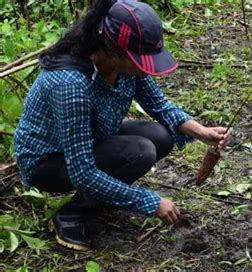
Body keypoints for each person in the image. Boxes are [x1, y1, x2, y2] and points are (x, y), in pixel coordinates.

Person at [13, 0, 231, 251]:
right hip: (48, 160)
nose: (144, 69)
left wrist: (202, 132)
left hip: (92, 137)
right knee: (139, 152)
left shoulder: (125, 67)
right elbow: (82, 171)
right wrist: (150, 202)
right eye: (140, 61)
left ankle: (103, 195)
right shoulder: (70, 84)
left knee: (160, 136)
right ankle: (72, 213)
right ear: (112, 50)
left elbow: (160, 106)